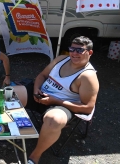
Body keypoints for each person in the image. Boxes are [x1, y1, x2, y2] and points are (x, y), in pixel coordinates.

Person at [12, 36, 99, 164]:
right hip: (40, 94)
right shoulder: (61, 59)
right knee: (10, 93)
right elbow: (42, 75)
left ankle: (34, 157)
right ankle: (6, 131)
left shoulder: (88, 76)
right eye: (72, 49)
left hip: (61, 105)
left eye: (80, 50)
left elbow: (88, 107)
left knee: (54, 120)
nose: (74, 53)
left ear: (89, 52)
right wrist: (36, 90)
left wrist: (55, 101)